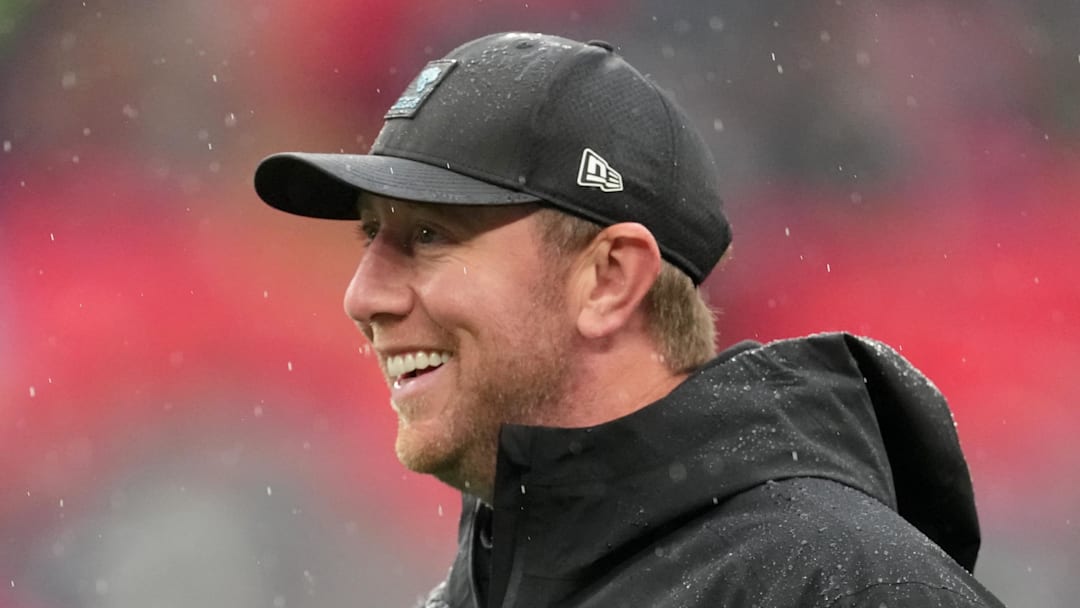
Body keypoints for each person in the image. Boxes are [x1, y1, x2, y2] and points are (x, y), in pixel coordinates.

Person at [254, 32, 1006, 608]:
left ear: (610, 279)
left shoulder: (839, 584)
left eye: (428, 235)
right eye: (370, 235)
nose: (363, 296)